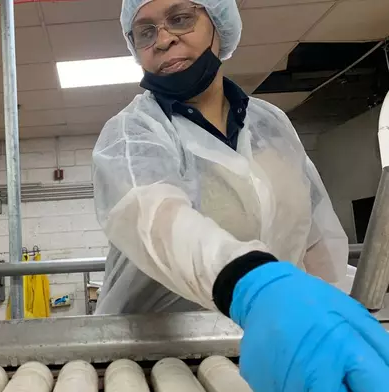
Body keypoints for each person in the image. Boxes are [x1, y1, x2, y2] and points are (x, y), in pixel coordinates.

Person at [92, 0, 389, 390]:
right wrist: (255, 284)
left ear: (218, 24)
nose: (162, 40)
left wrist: (335, 310)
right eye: (145, 31)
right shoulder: (133, 133)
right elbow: (156, 220)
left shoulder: (271, 124)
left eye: (179, 19)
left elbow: (316, 236)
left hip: (265, 351)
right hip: (147, 362)